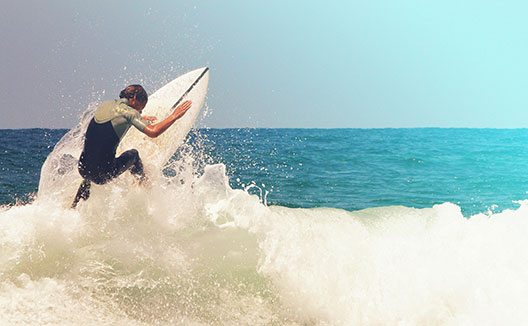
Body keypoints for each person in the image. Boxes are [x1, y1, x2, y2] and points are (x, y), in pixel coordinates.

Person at [71, 85, 192, 208]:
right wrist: (174, 116)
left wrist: (138, 119)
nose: (140, 112)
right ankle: (144, 186)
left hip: (83, 168)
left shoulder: (106, 105)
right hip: (103, 174)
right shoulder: (130, 113)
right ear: (134, 98)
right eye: (141, 107)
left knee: (92, 163)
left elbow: (110, 124)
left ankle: (74, 205)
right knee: (134, 154)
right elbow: (153, 132)